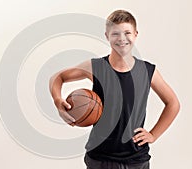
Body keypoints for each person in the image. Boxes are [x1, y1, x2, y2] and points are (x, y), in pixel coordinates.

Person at [49, 9, 180, 169]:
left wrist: (153, 134)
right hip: (100, 157)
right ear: (107, 36)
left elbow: (173, 103)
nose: (122, 38)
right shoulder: (95, 67)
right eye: (115, 34)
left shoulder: (147, 71)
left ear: (136, 34)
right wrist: (57, 101)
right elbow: (57, 77)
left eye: (127, 32)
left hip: (136, 158)